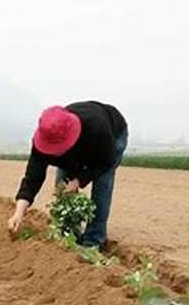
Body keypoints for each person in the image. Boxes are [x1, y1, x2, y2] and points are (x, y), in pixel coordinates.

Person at [7, 102, 128, 249]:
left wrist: (79, 180)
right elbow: (33, 177)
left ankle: (94, 241)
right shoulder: (43, 138)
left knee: (102, 184)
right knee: (62, 187)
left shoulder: (97, 128)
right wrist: (18, 213)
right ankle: (69, 235)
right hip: (81, 146)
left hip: (112, 136)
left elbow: (105, 162)